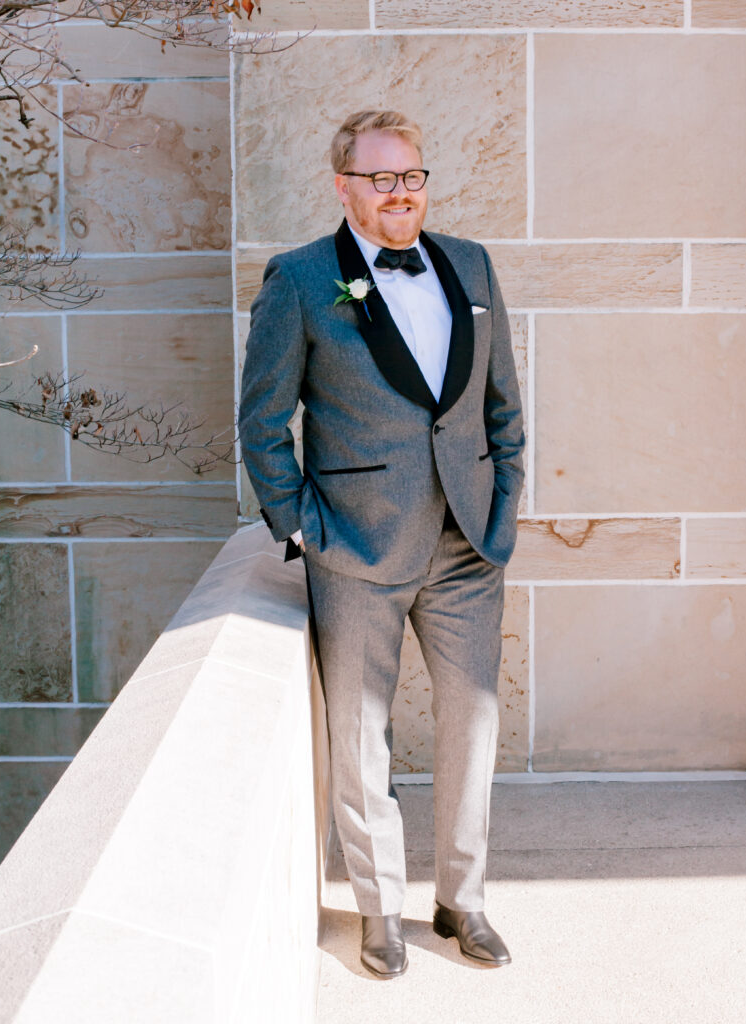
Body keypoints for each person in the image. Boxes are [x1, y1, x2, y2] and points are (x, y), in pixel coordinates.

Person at [238, 110, 525, 979]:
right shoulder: (301, 280)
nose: (400, 193)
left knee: (474, 720)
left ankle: (461, 900)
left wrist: (502, 506)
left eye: (411, 176)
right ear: (343, 186)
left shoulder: (470, 264)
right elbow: (262, 421)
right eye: (380, 178)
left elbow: (502, 405)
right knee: (361, 737)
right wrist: (301, 527)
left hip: (466, 542)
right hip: (355, 549)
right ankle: (378, 910)